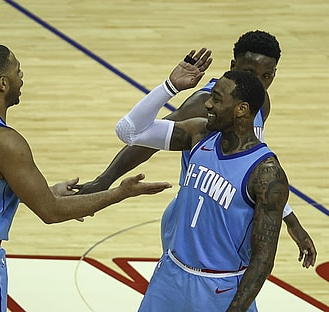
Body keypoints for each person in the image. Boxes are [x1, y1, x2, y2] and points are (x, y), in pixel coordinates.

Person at [0, 44, 174, 312]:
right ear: (3, 84)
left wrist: (44, 191)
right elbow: (50, 212)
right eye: (17, 70)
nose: (22, 75)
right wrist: (119, 193)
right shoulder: (4, 141)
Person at [78, 30, 316, 268]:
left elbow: (254, 166)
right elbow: (145, 141)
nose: (259, 83)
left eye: (267, 75)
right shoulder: (205, 104)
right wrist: (104, 181)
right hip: (195, 214)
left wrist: (289, 218)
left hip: (230, 215)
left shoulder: (260, 101)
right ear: (233, 66)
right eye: (249, 73)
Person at [115, 50, 289, 311]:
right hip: (171, 274)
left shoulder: (266, 172)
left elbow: (263, 260)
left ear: (241, 109)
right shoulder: (198, 134)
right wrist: (169, 87)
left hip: (219, 287)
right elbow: (129, 131)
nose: (207, 104)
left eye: (216, 100)